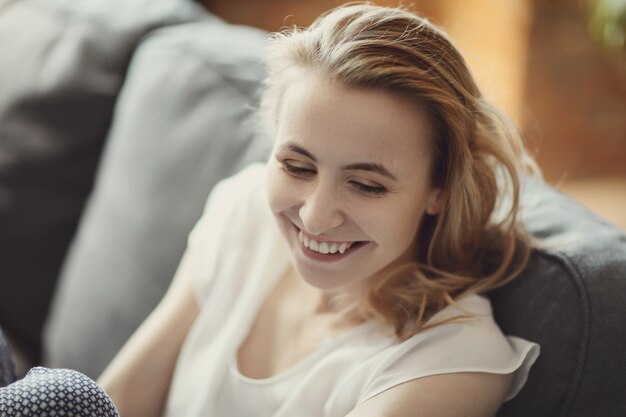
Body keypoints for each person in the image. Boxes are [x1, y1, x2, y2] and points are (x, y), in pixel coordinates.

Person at [96, 3, 540, 417]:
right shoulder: (245, 209)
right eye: (297, 166)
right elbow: (117, 398)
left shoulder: (448, 363)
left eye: (367, 185)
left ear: (438, 190)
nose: (314, 217)